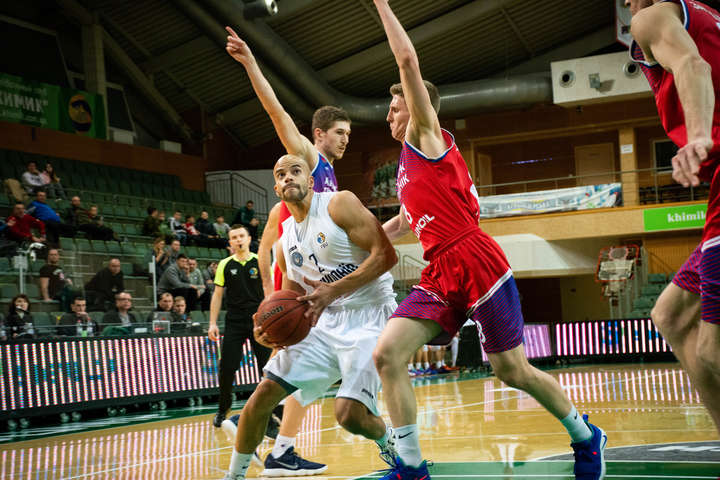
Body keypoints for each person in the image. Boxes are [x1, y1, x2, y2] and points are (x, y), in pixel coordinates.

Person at [368, 2, 607, 480]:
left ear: (417, 106)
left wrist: (381, 5)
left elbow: (408, 60)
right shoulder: (408, 169)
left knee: (511, 370)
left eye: (396, 106)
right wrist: (349, 240)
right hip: (440, 268)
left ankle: (585, 435)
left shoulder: (425, 135)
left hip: (475, 258)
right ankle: (411, 467)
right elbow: (400, 224)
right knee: (387, 354)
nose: (389, 114)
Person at [218, 156, 398, 480]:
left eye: (295, 171)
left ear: (311, 181)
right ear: (276, 189)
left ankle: (390, 444)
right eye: (280, 174)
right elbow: (293, 301)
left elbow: (386, 255)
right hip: (324, 321)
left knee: (350, 415)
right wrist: (270, 331)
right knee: (262, 396)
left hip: (370, 315)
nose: (288, 177)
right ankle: (234, 476)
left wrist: (334, 290)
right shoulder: (285, 242)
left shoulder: (339, 204)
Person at [226, 27, 351, 472]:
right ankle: (262, 433)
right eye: (339, 132)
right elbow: (276, 113)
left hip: (316, 279)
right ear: (318, 135)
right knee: (303, 368)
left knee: (311, 373)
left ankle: (278, 445)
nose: (345, 139)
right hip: (296, 282)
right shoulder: (309, 162)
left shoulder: (330, 179)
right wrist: (250, 63)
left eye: (348, 133)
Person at [627, 0, 720, 434]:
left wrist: (698, 135)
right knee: (670, 316)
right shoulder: (706, 16)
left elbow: (693, 66)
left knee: (713, 351)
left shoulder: (652, 16)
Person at [208, 225, 273, 427]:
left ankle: (270, 414)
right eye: (234, 237)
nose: (238, 240)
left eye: (241, 236)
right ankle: (223, 408)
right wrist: (212, 323)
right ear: (230, 242)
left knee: (267, 368)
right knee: (227, 367)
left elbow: (270, 289)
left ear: (249, 238)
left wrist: (271, 318)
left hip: (258, 321)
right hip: (234, 322)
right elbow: (217, 295)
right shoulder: (224, 264)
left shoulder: (260, 261)